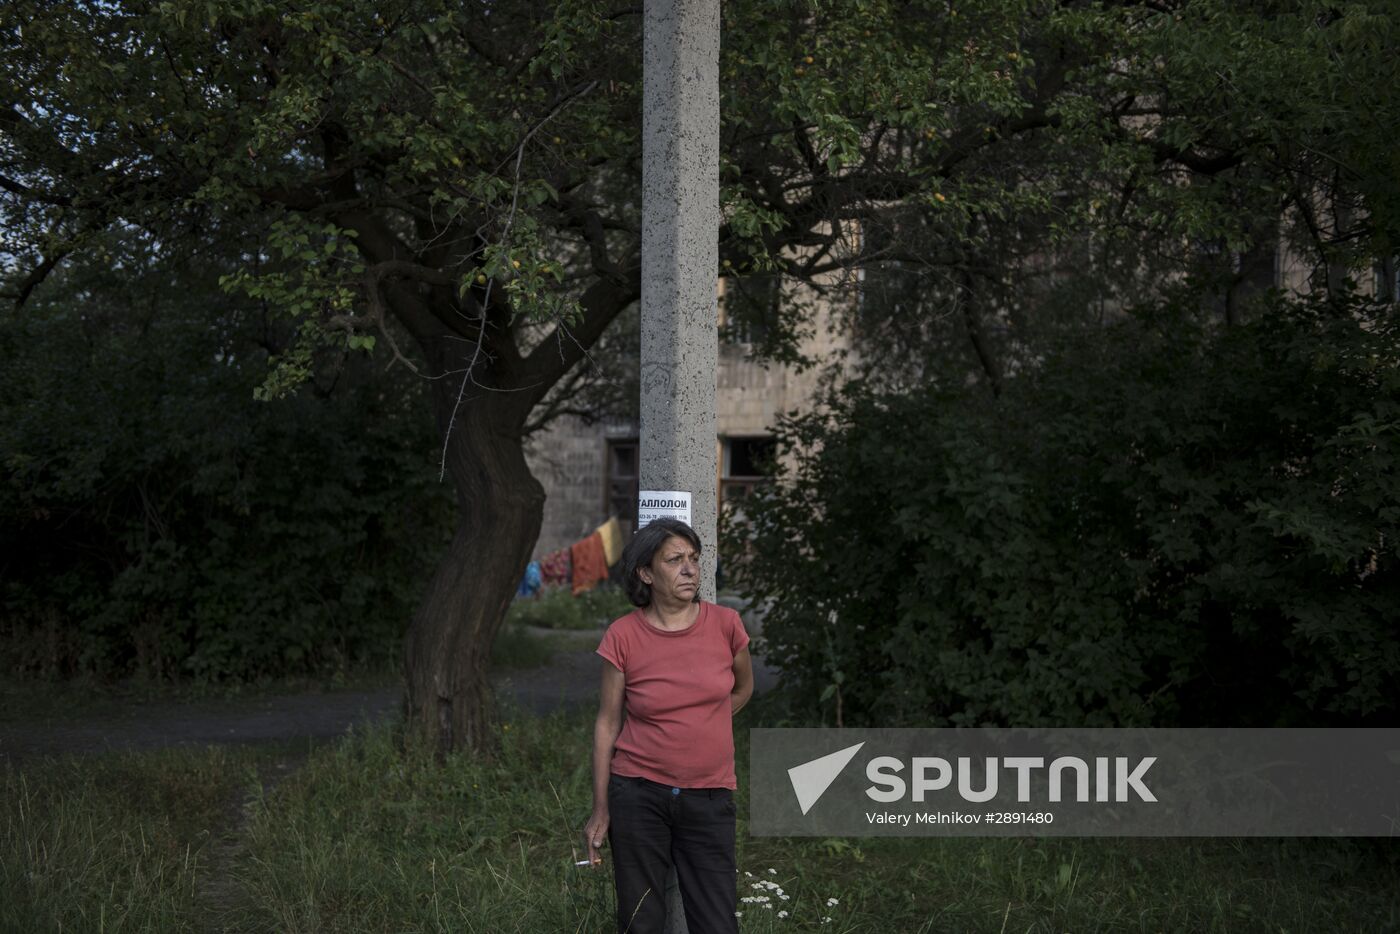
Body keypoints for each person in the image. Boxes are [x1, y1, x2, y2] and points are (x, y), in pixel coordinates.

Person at [583, 518, 754, 934]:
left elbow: (743, 689)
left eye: (694, 559)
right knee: (641, 922)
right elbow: (608, 723)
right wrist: (601, 809)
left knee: (717, 924)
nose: (690, 569)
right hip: (638, 795)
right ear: (646, 572)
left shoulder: (727, 625)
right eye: (675, 560)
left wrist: (702, 721)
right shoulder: (622, 636)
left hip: (710, 797)